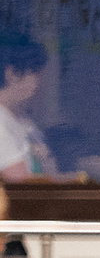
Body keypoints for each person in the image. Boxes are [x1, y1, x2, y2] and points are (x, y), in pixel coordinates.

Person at [0, 32, 58, 181]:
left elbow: (50, 172)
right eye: (34, 73)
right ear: (11, 74)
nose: (39, 83)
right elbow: (23, 186)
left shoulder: (23, 121)